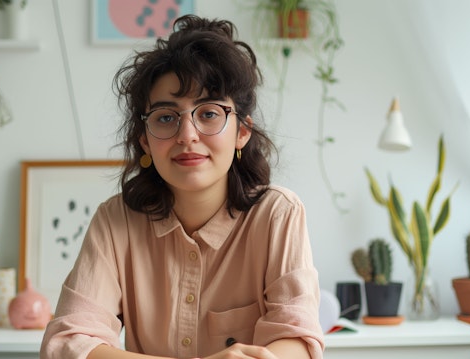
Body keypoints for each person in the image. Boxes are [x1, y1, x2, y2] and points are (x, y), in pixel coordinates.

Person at [41, 15, 324, 359]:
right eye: (166, 117)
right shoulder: (116, 221)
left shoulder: (278, 214)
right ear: (145, 141)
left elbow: (298, 341)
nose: (187, 135)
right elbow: (67, 343)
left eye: (208, 113)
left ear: (242, 132)